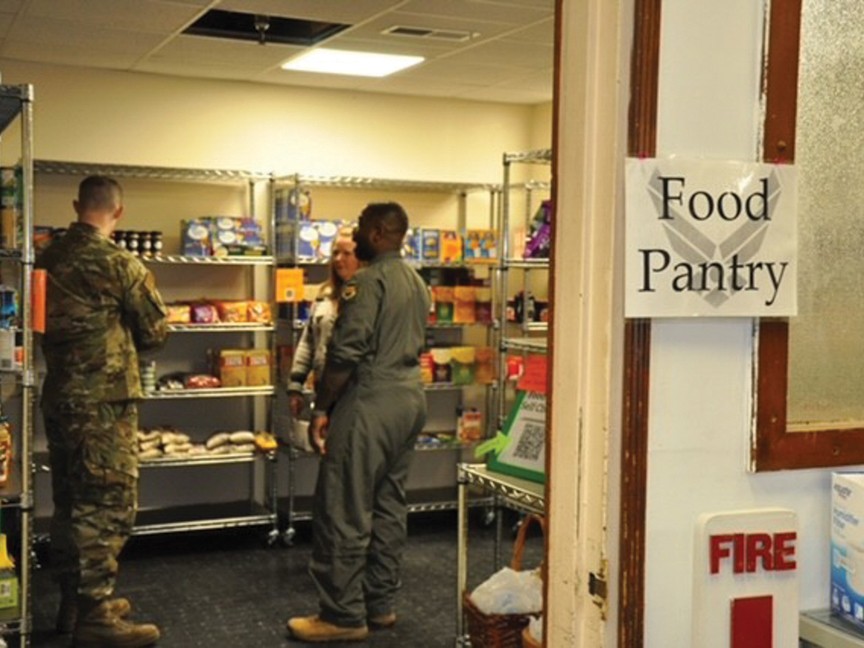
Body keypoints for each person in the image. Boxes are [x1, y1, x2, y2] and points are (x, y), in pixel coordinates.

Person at [287, 202, 430, 642]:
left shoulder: (366, 284)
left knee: (344, 506)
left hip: (369, 401)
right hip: (409, 397)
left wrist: (322, 408)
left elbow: (345, 355)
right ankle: (379, 604)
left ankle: (342, 615)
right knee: (388, 505)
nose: (358, 234)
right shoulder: (417, 282)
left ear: (382, 232)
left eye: (364, 229)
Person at [38, 175, 168, 647]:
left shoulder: (47, 256)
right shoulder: (120, 263)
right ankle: (95, 616)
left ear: (77, 206)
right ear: (119, 212)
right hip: (104, 405)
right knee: (108, 503)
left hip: (60, 398)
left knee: (70, 499)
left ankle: (74, 602)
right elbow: (155, 332)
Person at [286, 229, 361, 430]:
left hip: (357, 398)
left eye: (347, 254)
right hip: (325, 394)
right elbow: (308, 342)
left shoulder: (368, 298)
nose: (338, 259)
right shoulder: (325, 296)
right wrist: (296, 385)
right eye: (335, 253)